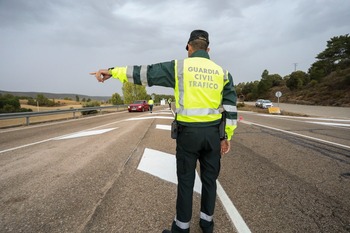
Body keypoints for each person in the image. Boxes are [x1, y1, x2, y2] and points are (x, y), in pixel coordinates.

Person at [90, 29, 237, 233]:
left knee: (186, 181)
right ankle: (207, 224)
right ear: (208, 49)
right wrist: (226, 136)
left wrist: (112, 71)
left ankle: (182, 228)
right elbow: (230, 109)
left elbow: (145, 73)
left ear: (189, 47)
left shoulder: (179, 68)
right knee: (210, 180)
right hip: (213, 135)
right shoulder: (223, 73)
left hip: (188, 135)